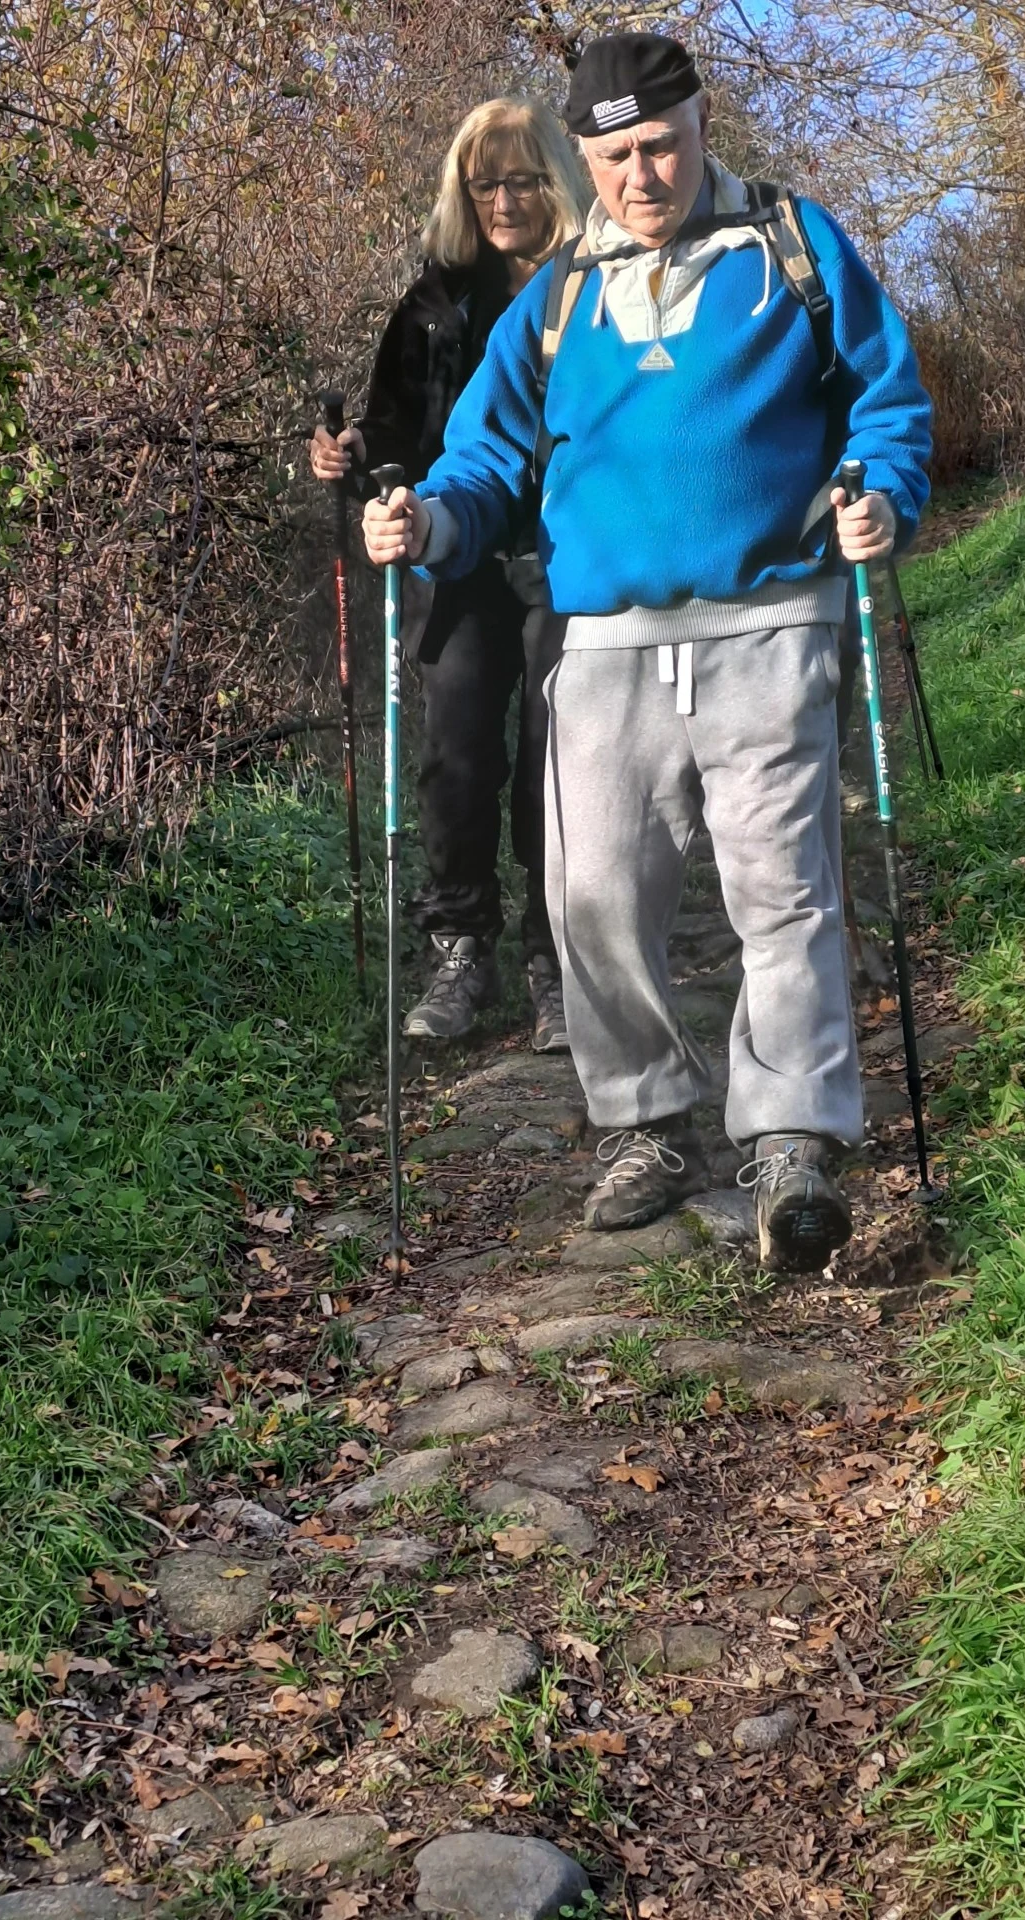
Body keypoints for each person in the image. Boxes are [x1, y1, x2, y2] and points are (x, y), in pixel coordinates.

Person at [362, 35, 932, 1273]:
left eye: (661, 144)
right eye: (614, 155)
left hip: (774, 620)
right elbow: (484, 457)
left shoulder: (792, 245)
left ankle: (790, 1142)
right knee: (590, 894)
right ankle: (644, 1123)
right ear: (588, 156)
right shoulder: (560, 291)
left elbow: (889, 398)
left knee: (783, 896)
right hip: (605, 638)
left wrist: (881, 491)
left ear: (700, 122)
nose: (642, 174)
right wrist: (429, 523)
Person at [310, 97, 586, 1051]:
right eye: (485, 183)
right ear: (463, 195)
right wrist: (352, 460)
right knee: (456, 751)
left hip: (571, 559)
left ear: (556, 179)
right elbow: (390, 438)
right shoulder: (433, 303)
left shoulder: (601, 286)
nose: (504, 199)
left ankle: (557, 959)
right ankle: (461, 946)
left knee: (558, 759)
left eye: (521, 178)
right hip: (454, 555)